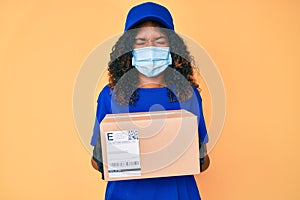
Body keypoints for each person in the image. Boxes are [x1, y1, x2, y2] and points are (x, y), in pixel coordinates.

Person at [90, 2, 209, 199]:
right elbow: (97, 162)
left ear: (172, 47)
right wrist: (114, 154)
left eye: (159, 41)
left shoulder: (188, 94)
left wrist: (186, 149)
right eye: (141, 41)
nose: (151, 48)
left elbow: (203, 163)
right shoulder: (110, 96)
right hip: (126, 194)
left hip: (178, 193)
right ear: (129, 48)